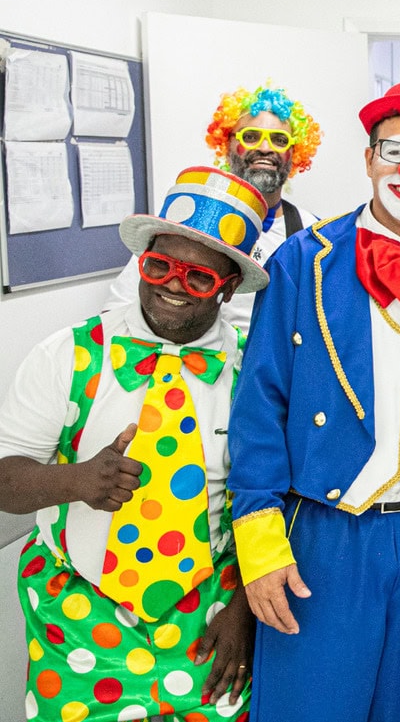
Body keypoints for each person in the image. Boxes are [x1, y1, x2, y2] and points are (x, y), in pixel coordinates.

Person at [226, 81, 400, 722]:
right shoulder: (303, 262)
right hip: (322, 533)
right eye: (395, 149)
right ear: (369, 157)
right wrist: (259, 547)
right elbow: (260, 406)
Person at [0, 166, 270, 722]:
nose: (173, 284)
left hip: (208, 620)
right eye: (160, 266)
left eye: (198, 278)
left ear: (227, 287)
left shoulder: (254, 371)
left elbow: (275, 501)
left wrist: (244, 612)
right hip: (75, 618)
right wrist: (72, 481)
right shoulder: (69, 354)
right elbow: (5, 480)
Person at [104, 84, 321, 333]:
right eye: (250, 136)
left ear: (295, 152)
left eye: (279, 140)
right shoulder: (187, 219)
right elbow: (115, 314)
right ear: (226, 146)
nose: (264, 148)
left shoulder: (312, 233)